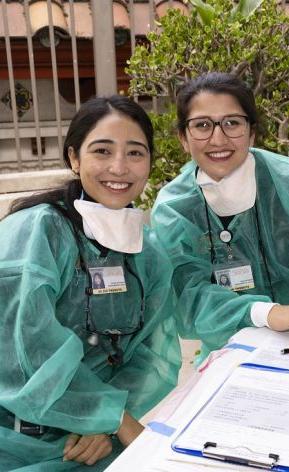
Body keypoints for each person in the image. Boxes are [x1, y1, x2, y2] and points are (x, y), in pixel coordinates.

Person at [0, 96, 181, 470]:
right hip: (18, 440)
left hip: (95, 441)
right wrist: (111, 416)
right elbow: (26, 350)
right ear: (74, 158)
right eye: (102, 150)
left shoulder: (149, 252)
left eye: (135, 153)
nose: (119, 167)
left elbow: (150, 355)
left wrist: (102, 419)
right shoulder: (37, 233)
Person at [152, 72, 289, 361]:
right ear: (183, 138)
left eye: (232, 123)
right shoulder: (174, 209)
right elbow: (189, 296)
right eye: (202, 125)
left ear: (252, 132)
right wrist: (269, 313)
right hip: (229, 352)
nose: (218, 139)